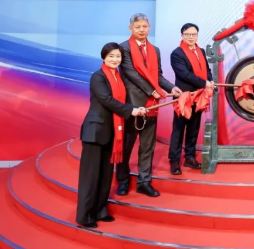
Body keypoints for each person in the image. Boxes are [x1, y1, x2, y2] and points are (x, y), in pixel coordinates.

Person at [76, 42, 144, 228]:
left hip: (112, 131)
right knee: (91, 176)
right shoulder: (98, 77)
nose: (115, 59)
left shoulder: (118, 77)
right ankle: (85, 215)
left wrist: (137, 108)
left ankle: (100, 210)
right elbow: (106, 100)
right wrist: (131, 110)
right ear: (104, 57)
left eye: (118, 56)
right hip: (95, 132)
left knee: (106, 175)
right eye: (111, 56)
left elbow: (123, 100)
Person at [115, 13, 182, 198]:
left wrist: (171, 87)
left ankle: (144, 182)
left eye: (144, 26)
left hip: (151, 106)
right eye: (137, 27)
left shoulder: (155, 50)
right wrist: (152, 91)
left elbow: (158, 76)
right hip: (132, 104)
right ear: (130, 28)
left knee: (147, 146)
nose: (141, 30)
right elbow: (131, 74)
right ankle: (122, 180)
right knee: (126, 146)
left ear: (149, 27)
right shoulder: (123, 48)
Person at [168, 23, 215, 175]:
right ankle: (174, 161)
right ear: (182, 35)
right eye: (187, 34)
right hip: (184, 96)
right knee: (179, 129)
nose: (191, 37)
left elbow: (207, 69)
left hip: (199, 96)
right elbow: (184, 74)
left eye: (193, 34)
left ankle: (189, 157)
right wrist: (204, 83)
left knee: (194, 128)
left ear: (197, 36)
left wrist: (210, 80)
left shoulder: (200, 50)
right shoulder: (177, 53)